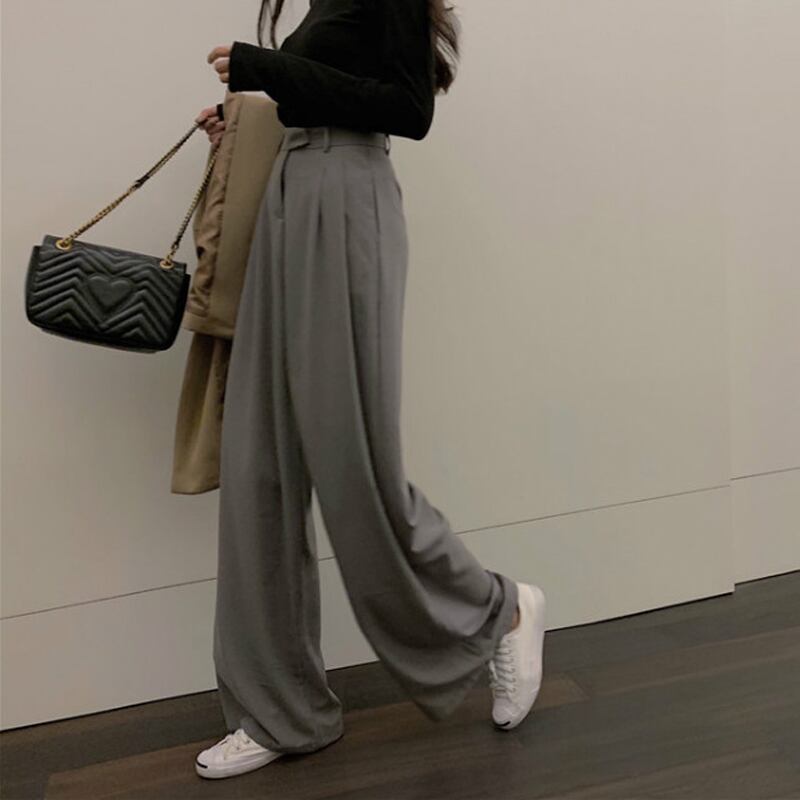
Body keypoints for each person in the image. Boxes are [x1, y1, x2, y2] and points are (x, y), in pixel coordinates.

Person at [193, 0, 546, 780]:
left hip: (347, 198)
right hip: (289, 192)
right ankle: (281, 710)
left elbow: (407, 109)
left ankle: (499, 610)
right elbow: (327, 90)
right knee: (258, 464)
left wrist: (266, 67)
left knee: (351, 461)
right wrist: (250, 120)